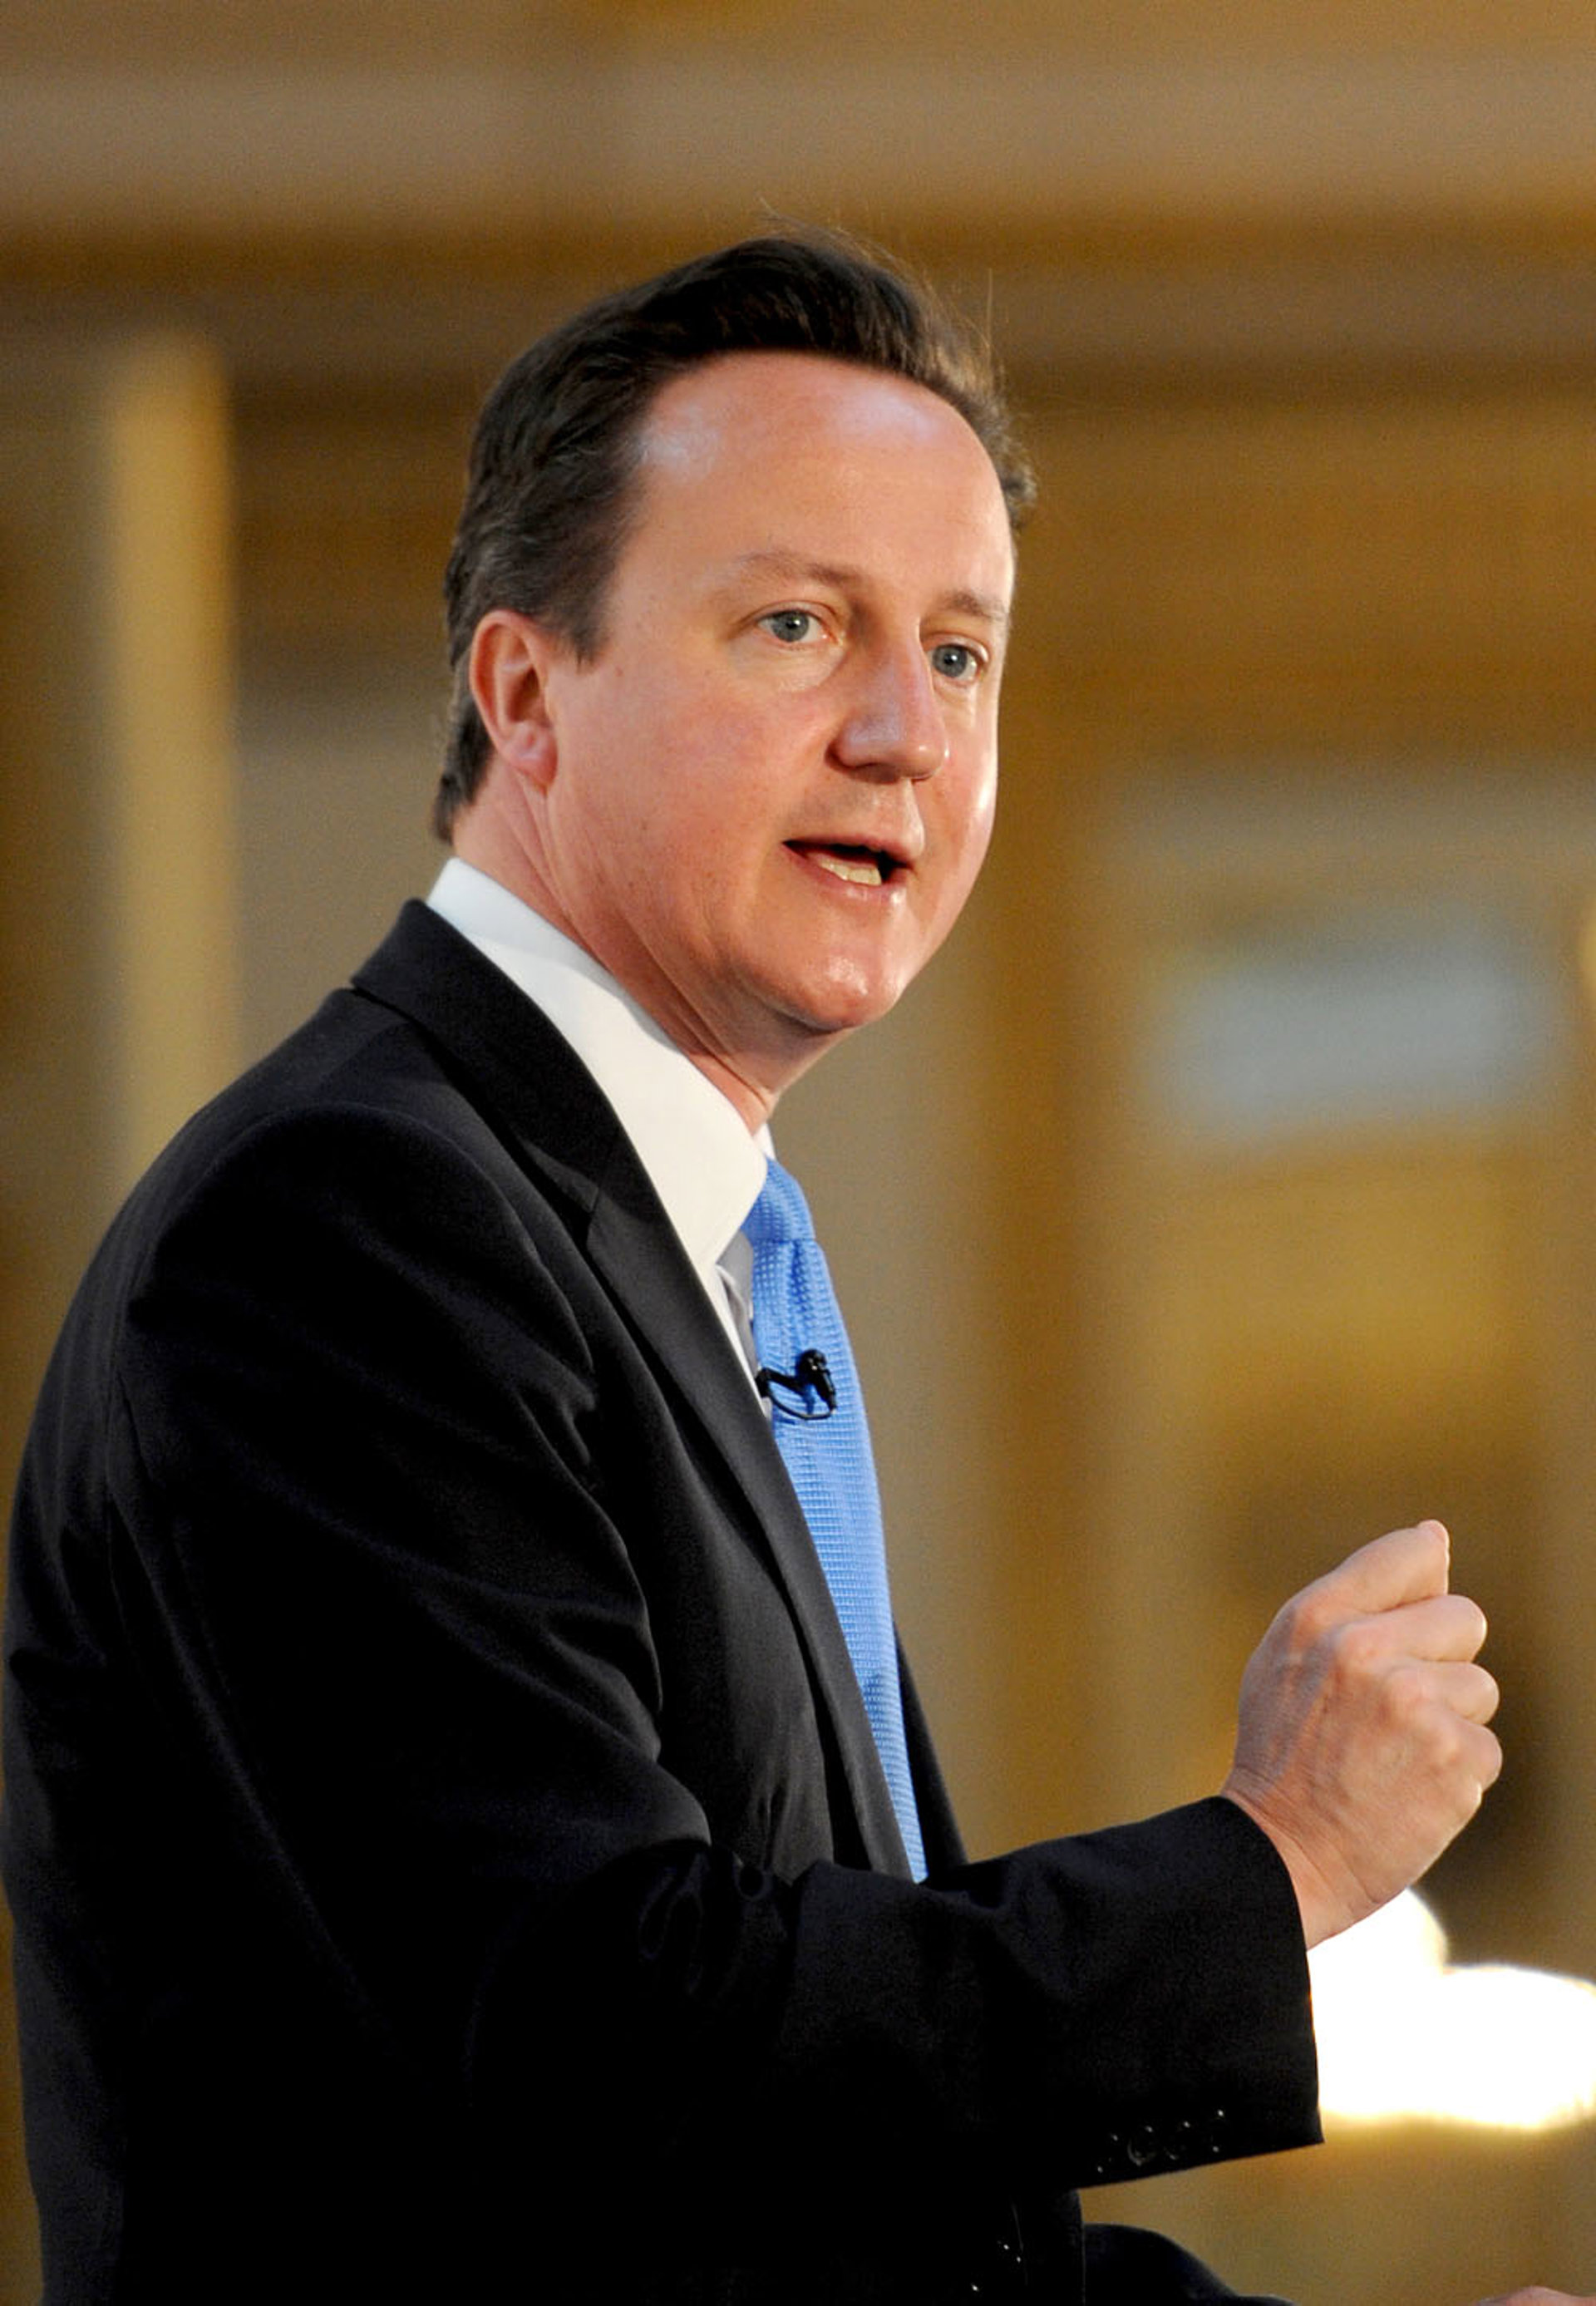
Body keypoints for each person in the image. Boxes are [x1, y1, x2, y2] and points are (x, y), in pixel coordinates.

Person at [1, 229, 1584, 2306]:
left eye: (960, 653)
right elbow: (624, 2056)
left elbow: (846, 2228)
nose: (905, 731)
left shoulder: (681, 1250)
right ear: (524, 694)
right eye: (796, 626)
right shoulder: (343, 1228)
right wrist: (1271, 1865)